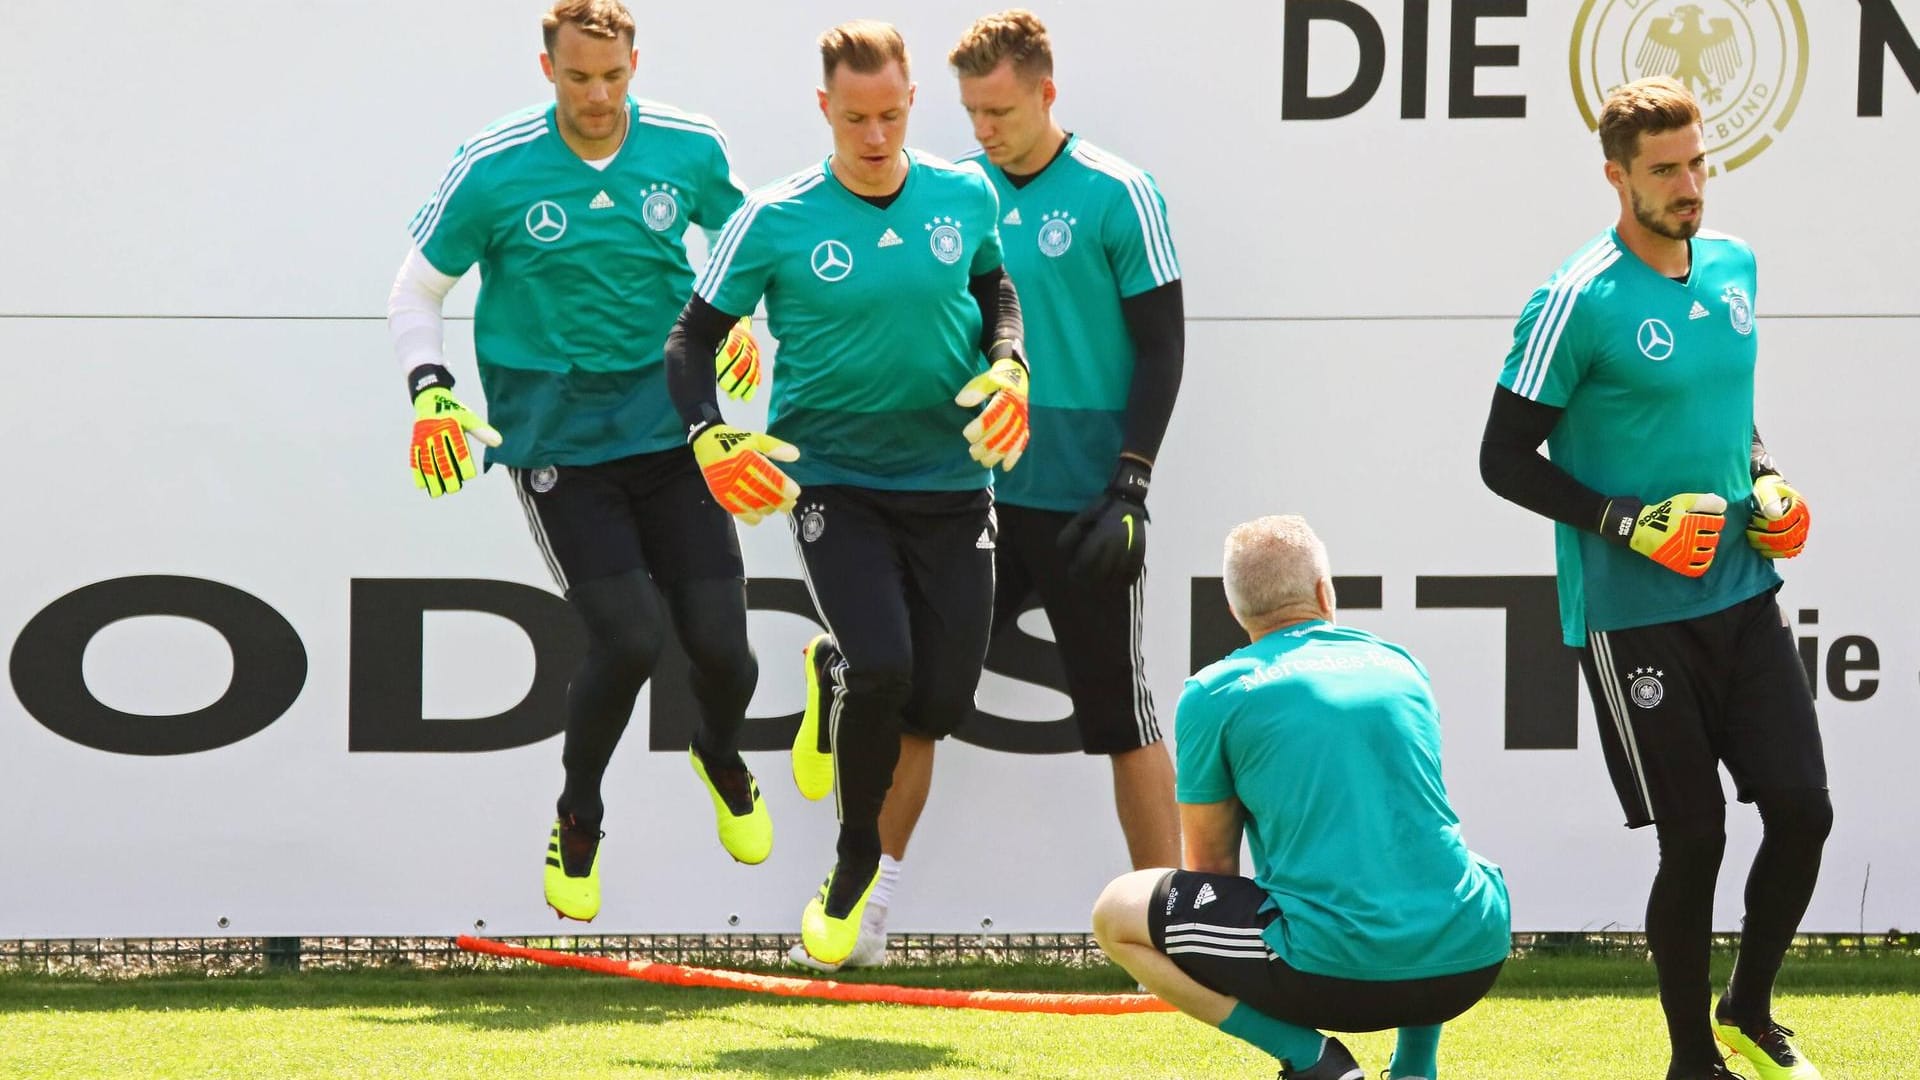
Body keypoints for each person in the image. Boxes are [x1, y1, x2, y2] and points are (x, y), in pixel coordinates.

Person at [779, 8, 1187, 972]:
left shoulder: (1119, 193)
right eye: (968, 110)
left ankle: (1172, 929)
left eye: (999, 108)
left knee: (1123, 715)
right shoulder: (945, 192)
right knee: (917, 705)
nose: (983, 127)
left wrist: (1132, 483)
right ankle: (864, 916)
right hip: (964, 491)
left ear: (1048, 92)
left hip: (1084, 498)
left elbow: (1165, 345)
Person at [386, 0, 774, 924]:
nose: (597, 97)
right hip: (557, 433)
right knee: (632, 637)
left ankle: (718, 755)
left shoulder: (690, 146)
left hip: (673, 422)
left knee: (726, 649)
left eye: (613, 76)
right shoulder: (492, 166)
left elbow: (744, 240)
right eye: (577, 77)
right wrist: (431, 389)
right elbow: (416, 287)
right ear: (545, 67)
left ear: (636, 61)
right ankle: (579, 813)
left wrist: (740, 321)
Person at [1479, 76, 1829, 1080]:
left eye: (1696, 162)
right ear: (1617, 176)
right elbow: (1504, 459)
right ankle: (1691, 1061)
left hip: (1743, 590)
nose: (1690, 186)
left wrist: (1767, 482)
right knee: (1697, 838)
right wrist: (1627, 524)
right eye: (1665, 170)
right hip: (1632, 615)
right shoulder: (1575, 298)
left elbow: (1728, 417)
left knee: (1803, 811)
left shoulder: (1733, 266)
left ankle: (1750, 1006)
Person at [661, 19, 1027, 967]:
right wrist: (708, 433)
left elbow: (995, 289)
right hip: (835, 479)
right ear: (825, 109)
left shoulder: (964, 191)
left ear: (912, 104)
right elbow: (691, 339)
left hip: (953, 478)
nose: (875, 137)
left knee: (939, 702)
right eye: (856, 118)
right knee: (887, 668)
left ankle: (833, 684)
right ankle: (854, 861)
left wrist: (1009, 360)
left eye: (893, 115)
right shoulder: (777, 217)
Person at [1092, 515, 1510, 1080]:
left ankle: (1310, 1057)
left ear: (1236, 610)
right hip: (1472, 958)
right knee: (1436, 860)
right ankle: (1415, 1066)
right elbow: (1411, 831)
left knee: (1115, 912)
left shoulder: (1214, 691)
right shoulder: (1399, 665)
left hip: (1330, 977)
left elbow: (1213, 872)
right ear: (1324, 592)